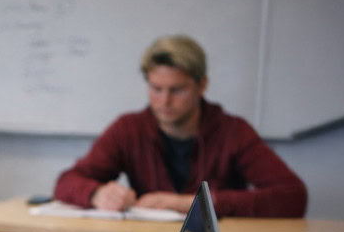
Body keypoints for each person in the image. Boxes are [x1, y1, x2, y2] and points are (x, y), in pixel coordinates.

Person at [54, 34, 307, 218]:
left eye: (177, 90)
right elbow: (66, 182)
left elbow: (293, 197)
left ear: (202, 85)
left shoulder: (233, 132)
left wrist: (190, 203)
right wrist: (97, 193)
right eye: (156, 89)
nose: (164, 101)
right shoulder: (128, 129)